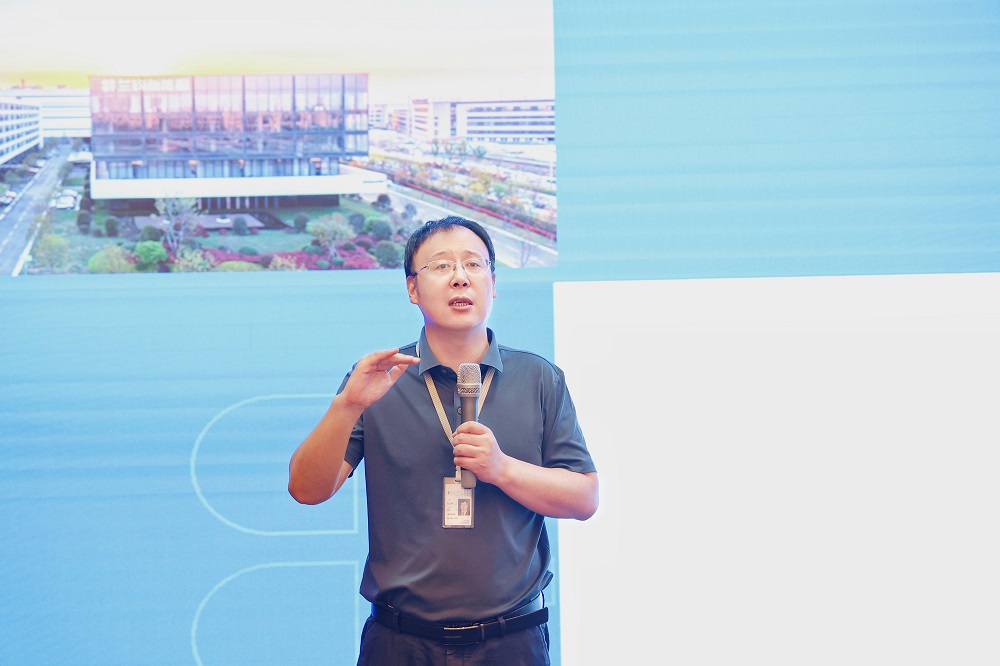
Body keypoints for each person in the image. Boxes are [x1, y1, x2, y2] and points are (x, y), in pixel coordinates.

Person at [288, 215, 599, 665]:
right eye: (441, 265)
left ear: (494, 283)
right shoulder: (379, 379)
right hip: (400, 642)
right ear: (412, 288)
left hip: (512, 640)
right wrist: (346, 407)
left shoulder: (539, 378)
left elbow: (584, 498)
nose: (460, 277)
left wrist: (502, 469)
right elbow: (306, 490)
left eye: (474, 264)